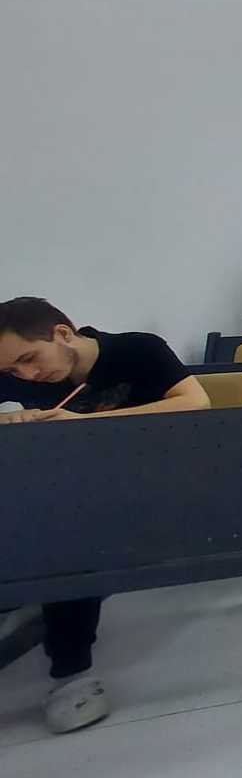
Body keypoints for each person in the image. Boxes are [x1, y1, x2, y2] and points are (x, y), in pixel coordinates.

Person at [0, 297, 212, 735]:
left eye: (30, 359)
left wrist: (82, 425)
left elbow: (196, 402)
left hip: (140, 490)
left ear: (62, 333)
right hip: (48, 496)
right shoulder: (15, 376)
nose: (27, 375)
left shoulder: (137, 350)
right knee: (50, 518)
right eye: (13, 371)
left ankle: (70, 671)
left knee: (70, 532)